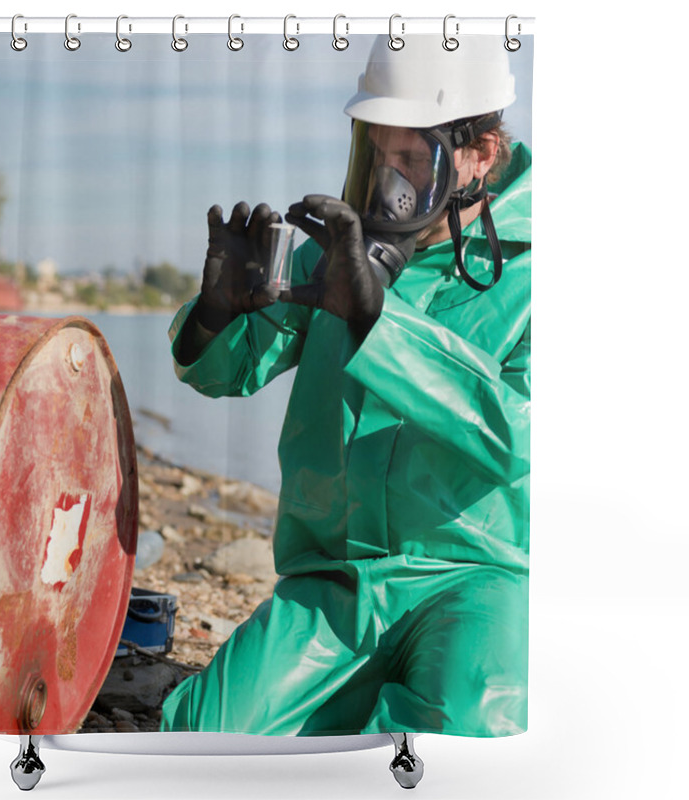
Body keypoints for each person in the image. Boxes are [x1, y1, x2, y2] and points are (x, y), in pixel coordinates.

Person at [160, 34, 531, 739]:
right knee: (200, 740)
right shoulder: (340, 254)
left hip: (473, 580)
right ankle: (360, 708)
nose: (390, 181)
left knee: (470, 740)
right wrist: (214, 317)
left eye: (413, 159)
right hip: (334, 581)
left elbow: (519, 435)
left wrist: (375, 320)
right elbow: (228, 373)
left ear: (480, 153)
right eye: (376, 153)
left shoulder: (548, 269)